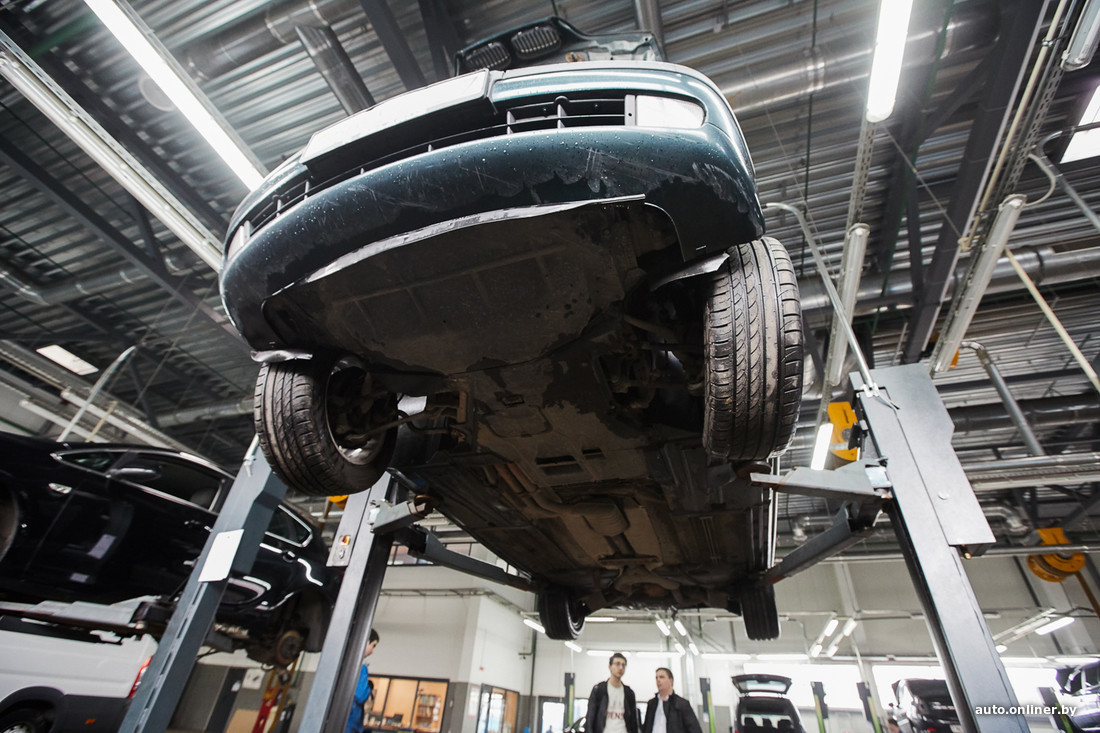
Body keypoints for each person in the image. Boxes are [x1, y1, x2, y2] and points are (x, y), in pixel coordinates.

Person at [587, 653, 640, 733]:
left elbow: (633, 721)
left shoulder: (629, 693)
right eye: (617, 664)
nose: (621, 668)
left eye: (623, 665)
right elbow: (590, 718)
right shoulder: (599, 690)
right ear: (610, 667)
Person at [642, 668, 702, 733]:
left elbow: (695, 729)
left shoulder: (681, 704)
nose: (658, 680)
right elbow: (646, 727)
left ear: (671, 681)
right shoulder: (651, 704)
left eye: (662, 677)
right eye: (656, 678)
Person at [346, 628, 380, 733]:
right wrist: (368, 687)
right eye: (373, 645)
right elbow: (361, 696)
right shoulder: (361, 668)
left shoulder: (345, 662)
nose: (372, 651)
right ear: (365, 641)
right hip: (350, 724)